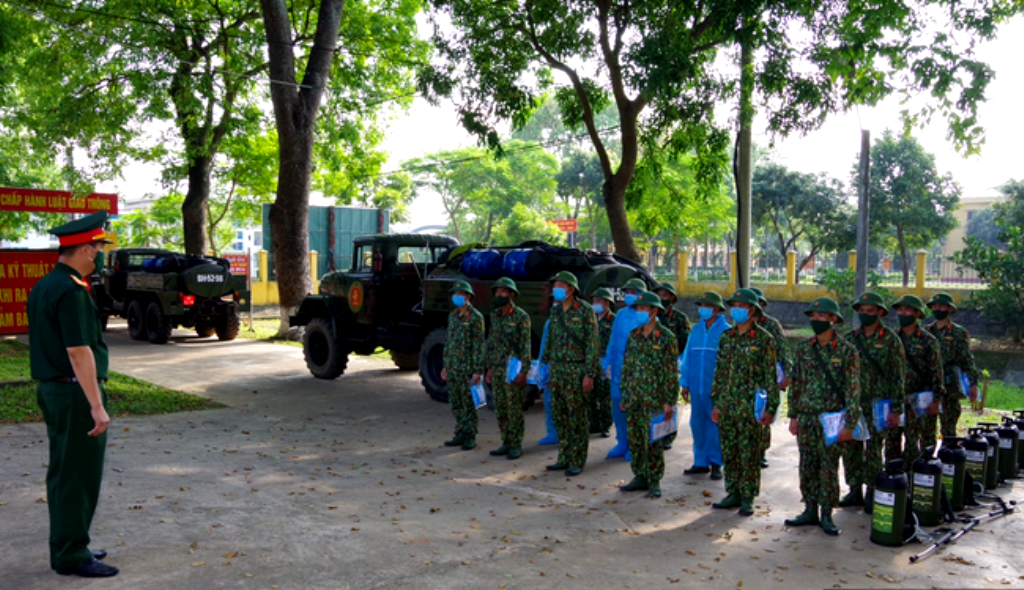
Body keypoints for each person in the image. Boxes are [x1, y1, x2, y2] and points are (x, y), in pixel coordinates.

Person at [27, 210, 119, 578]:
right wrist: (96, 405)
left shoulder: (45, 285)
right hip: (74, 393)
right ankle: (70, 553)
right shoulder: (71, 290)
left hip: (54, 390)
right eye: (96, 248)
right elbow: (79, 352)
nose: (97, 255)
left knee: (65, 473)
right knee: (77, 476)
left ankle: (70, 542)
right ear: (83, 249)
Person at [784, 297, 861, 536]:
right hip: (807, 417)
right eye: (813, 317)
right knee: (807, 464)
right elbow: (795, 384)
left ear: (833, 320)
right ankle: (809, 508)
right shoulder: (804, 349)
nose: (817, 321)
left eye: (822, 317)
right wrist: (793, 415)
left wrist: (850, 423)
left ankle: (827, 513)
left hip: (832, 420)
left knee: (828, 466)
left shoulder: (847, 351)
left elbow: (853, 389)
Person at [709, 289, 780, 516]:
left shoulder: (764, 339)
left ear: (752, 310)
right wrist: (717, 404)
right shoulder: (726, 338)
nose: (736, 309)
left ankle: (748, 496)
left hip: (751, 408)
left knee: (749, 455)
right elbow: (719, 373)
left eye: (741, 305)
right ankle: (733, 492)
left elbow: (770, 377)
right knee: (730, 452)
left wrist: (771, 408)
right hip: (728, 406)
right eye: (734, 305)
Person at [839, 292, 906, 512]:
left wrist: (896, 410)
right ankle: (854, 489)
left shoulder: (890, 340)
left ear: (879, 313)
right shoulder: (849, 339)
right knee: (851, 448)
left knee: (874, 449)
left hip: (878, 405)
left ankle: (872, 491)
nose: (865, 314)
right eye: (861, 311)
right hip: (853, 404)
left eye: (870, 311)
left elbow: (898, 376)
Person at [619, 292, 679, 499]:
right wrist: (625, 395)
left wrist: (669, 402)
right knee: (635, 439)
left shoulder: (666, 338)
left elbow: (671, 372)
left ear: (654, 311)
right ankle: (640, 476)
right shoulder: (633, 336)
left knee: (653, 442)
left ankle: (654, 480)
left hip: (655, 399)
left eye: (643, 309)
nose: (639, 313)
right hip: (634, 397)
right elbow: (626, 367)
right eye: (638, 309)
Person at [545, 271, 601, 476]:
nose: (556, 289)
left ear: (571, 289)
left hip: (577, 370)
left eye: (560, 285)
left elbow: (592, 344)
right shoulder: (555, 311)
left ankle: (577, 459)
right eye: (555, 285)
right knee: (560, 416)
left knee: (577, 417)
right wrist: (547, 367)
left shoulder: (585, 310)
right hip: (558, 370)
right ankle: (564, 456)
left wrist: (589, 374)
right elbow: (551, 340)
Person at [679, 291, 730, 480]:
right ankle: (700, 461)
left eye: (706, 306)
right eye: (701, 306)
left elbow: (727, 364)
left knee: (715, 425)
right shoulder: (696, 331)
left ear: (716, 309)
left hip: (716, 389)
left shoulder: (726, 332)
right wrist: (684, 383)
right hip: (696, 387)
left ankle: (716, 462)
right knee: (697, 424)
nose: (703, 309)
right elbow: (687, 357)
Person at [891, 294, 944, 463]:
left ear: (917, 314)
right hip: (895, 400)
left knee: (915, 441)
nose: (902, 313)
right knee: (892, 441)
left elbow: (936, 372)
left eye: (907, 310)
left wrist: (936, 400)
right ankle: (894, 478)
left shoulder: (928, 341)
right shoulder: (891, 339)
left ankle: (915, 479)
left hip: (919, 398)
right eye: (900, 310)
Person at [485, 277, 531, 460]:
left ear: (512, 294)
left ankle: (516, 444)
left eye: (503, 292)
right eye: (497, 292)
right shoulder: (495, 315)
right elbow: (491, 342)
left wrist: (524, 370)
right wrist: (489, 367)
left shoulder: (521, 316)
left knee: (514, 409)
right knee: (501, 408)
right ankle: (506, 441)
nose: (499, 295)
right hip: (497, 368)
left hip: (513, 369)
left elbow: (525, 346)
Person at [925, 292, 981, 439]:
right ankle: (928, 460)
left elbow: (966, 360)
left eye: (942, 306)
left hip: (949, 385)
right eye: (935, 306)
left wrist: (973, 383)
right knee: (926, 430)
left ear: (950, 309)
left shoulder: (958, 333)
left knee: (948, 431)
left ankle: (949, 459)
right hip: (928, 385)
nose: (938, 309)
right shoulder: (925, 332)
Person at [604, 277, 647, 460]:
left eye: (633, 293)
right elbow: (613, 339)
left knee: (634, 410)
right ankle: (622, 442)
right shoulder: (620, 314)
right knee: (617, 406)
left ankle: (636, 445)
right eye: (627, 293)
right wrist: (607, 362)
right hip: (617, 370)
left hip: (636, 372)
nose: (629, 296)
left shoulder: (646, 316)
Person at [749, 287, 791, 468]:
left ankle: (760, 452)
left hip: (767, 376)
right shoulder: (741, 324)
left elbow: (783, 349)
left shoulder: (771, 325)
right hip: (745, 377)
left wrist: (787, 374)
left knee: (763, 413)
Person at [441, 280, 485, 451]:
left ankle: (470, 435)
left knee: (468, 403)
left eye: (460, 294)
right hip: (453, 367)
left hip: (467, 368)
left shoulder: (476, 317)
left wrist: (477, 370)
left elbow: (478, 345)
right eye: (455, 294)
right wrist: (445, 365)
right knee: (455, 402)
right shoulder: (452, 316)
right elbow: (449, 342)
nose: (457, 297)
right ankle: (460, 431)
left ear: (468, 296)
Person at [653, 282, 689, 451]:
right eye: (659, 295)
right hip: (653, 365)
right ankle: (656, 432)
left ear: (672, 299)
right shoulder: (652, 316)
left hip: (672, 364)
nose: (661, 298)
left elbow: (686, 342)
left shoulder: (679, 318)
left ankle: (669, 435)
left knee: (670, 399)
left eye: (665, 295)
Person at [590, 287, 616, 437]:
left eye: (598, 301)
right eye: (594, 301)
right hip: (592, 361)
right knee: (591, 395)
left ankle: (605, 425)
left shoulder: (613, 320)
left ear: (607, 303)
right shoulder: (590, 319)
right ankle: (593, 424)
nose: (595, 304)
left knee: (605, 396)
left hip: (606, 362)